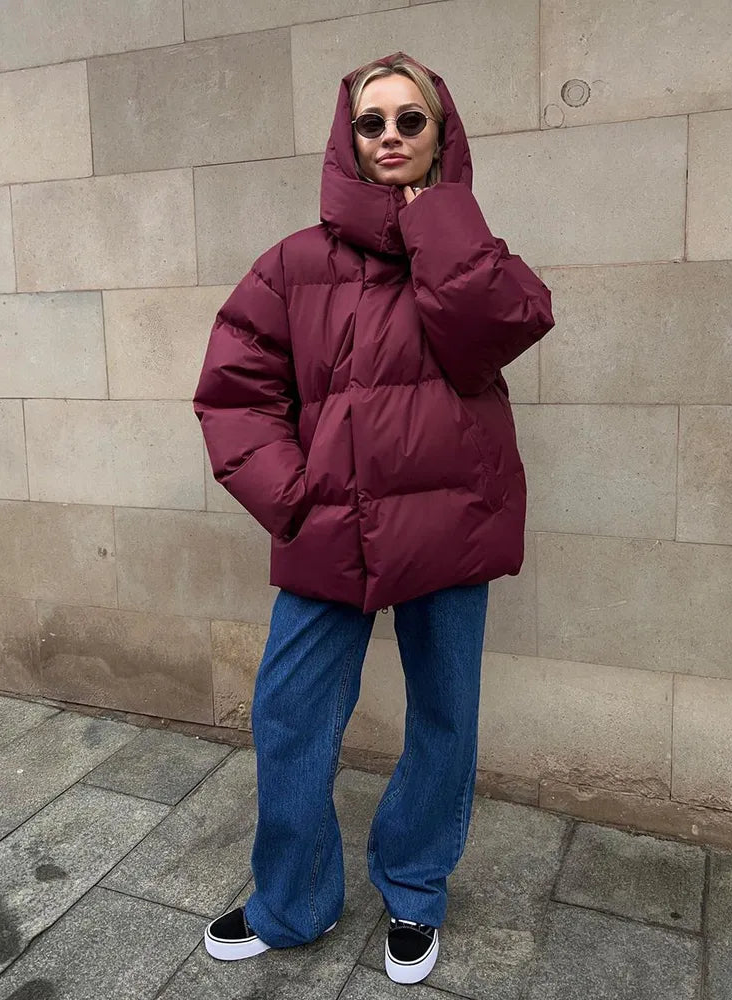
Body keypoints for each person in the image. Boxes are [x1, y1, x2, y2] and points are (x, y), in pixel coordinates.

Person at [193, 50, 554, 986]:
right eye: (372, 122)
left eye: (410, 120)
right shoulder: (294, 263)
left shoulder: (474, 253)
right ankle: (294, 900)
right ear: (345, 139)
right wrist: (293, 494)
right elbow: (235, 391)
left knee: (444, 718)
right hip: (331, 529)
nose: (390, 136)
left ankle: (415, 891)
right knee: (289, 716)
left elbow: (497, 332)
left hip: (451, 526)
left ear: (441, 134)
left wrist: (434, 218)